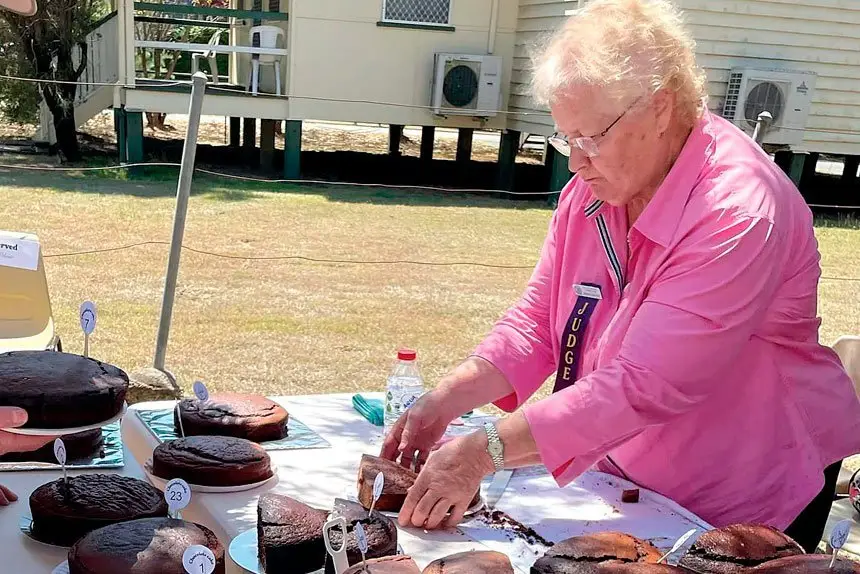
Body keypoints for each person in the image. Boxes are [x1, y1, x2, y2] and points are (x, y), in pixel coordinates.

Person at [381, 0, 860, 554]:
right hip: (631, 478)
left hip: (745, 491)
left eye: (591, 137)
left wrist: (485, 447)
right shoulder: (597, 190)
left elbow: (646, 384)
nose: (575, 162)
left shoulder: (737, 209)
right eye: (565, 138)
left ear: (660, 107)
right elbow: (540, 322)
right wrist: (446, 399)